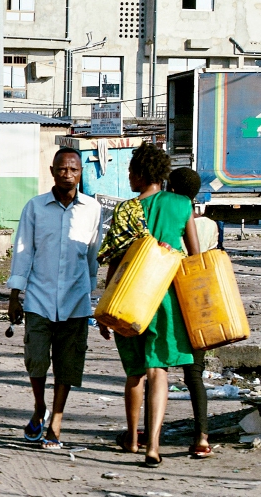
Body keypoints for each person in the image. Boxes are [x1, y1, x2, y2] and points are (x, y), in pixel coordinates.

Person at [97, 143, 200, 468]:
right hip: (167, 298)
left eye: (130, 170)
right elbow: (195, 259)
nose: (128, 175)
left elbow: (114, 264)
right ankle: (152, 446)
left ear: (142, 174)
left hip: (129, 298)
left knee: (135, 374)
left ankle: (131, 437)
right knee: (159, 371)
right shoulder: (182, 204)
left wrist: (104, 309)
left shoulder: (126, 211)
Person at [7, 147, 103, 450]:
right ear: (52, 171)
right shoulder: (35, 208)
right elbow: (23, 251)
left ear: (80, 173)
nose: (67, 174)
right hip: (38, 297)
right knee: (36, 360)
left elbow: (92, 256)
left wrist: (91, 297)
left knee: (68, 363)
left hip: (76, 300)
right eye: (62, 169)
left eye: (73, 169)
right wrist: (14, 295)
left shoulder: (92, 209)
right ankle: (39, 407)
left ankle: (56, 421)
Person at [167, 167, 217, 459]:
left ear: (170, 189)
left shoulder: (168, 214)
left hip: (172, 296)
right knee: (194, 375)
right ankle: (202, 435)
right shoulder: (210, 225)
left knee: (156, 369)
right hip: (198, 299)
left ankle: (149, 433)